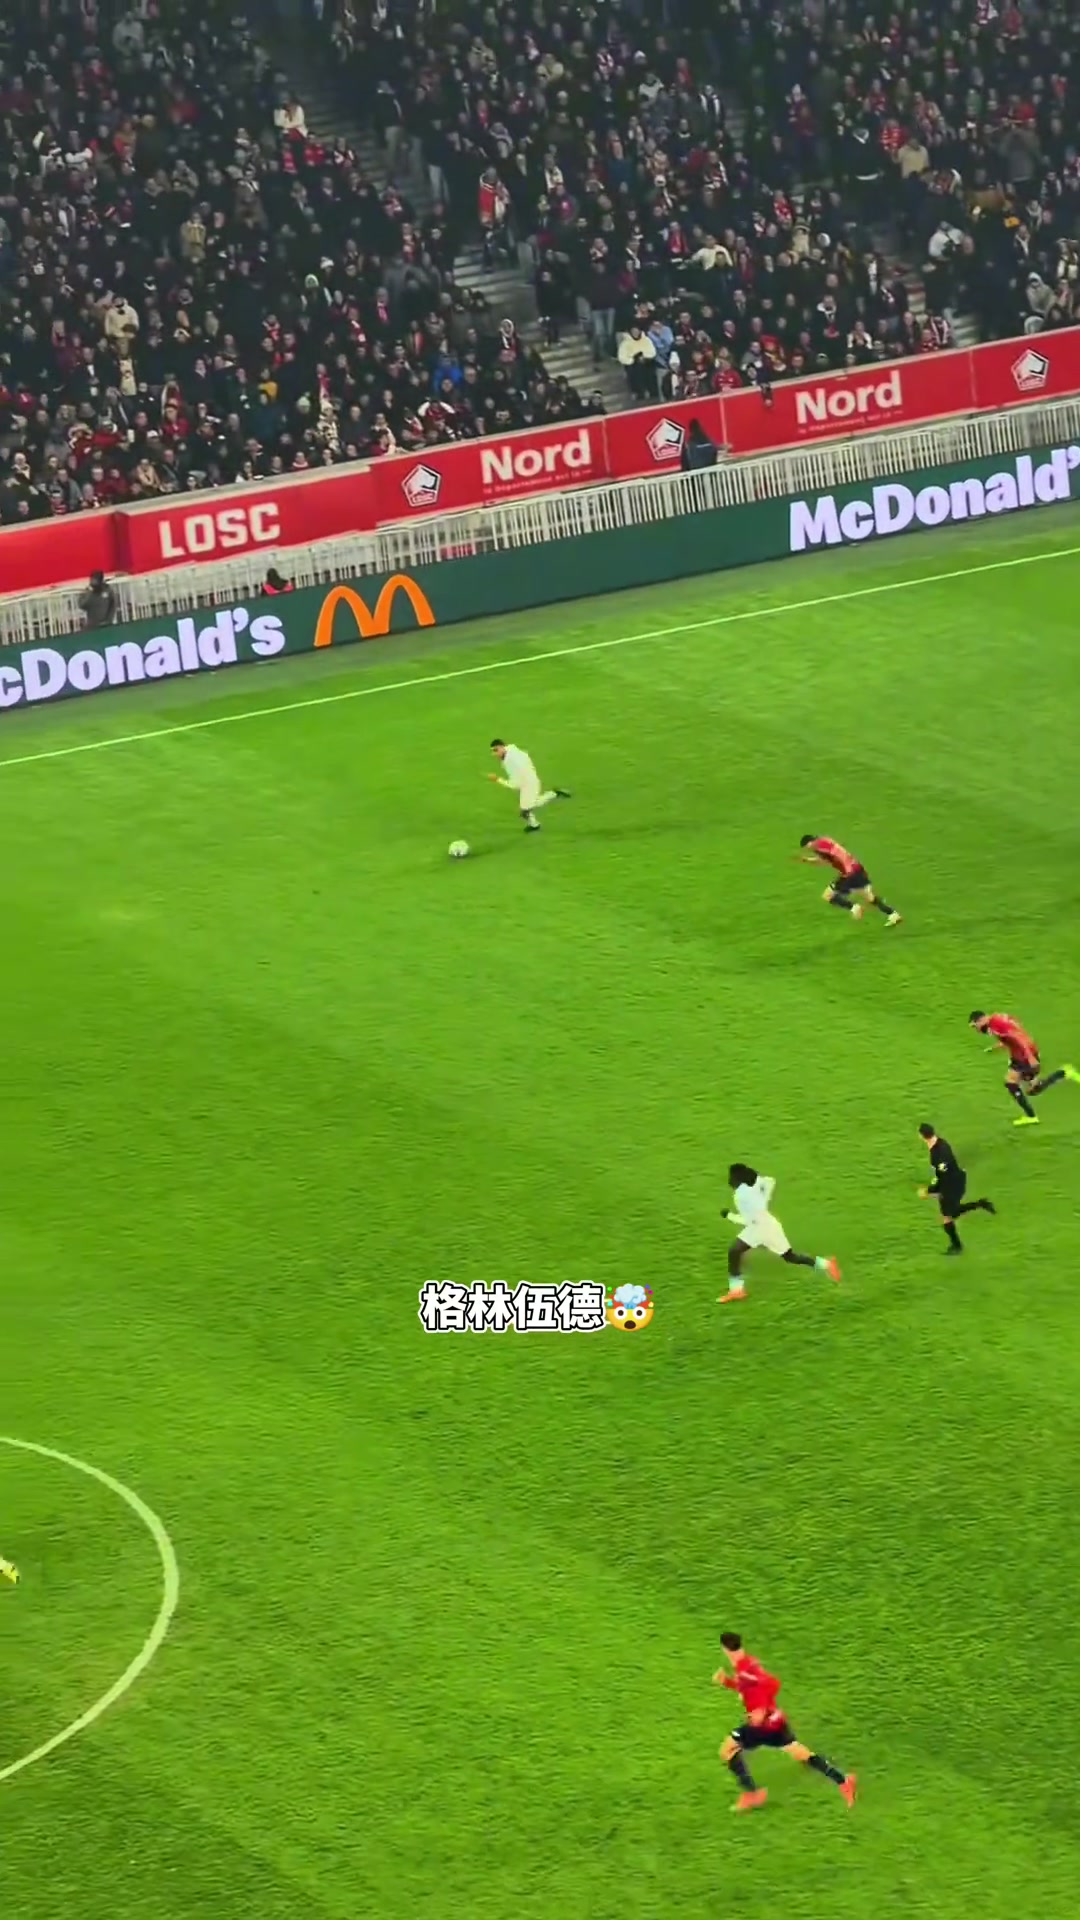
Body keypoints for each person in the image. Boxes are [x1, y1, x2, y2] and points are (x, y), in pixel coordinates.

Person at [713, 1632, 857, 1813]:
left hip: (762, 1727)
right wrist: (727, 1682)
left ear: (725, 1649)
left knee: (727, 1750)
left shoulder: (744, 1672)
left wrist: (760, 1712)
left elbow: (755, 1693)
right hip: (777, 1721)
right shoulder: (751, 1663)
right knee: (802, 1754)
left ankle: (752, 1794)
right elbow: (773, 1684)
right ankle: (843, 1780)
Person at [718, 1164, 841, 1303]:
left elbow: (748, 1220)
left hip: (761, 1229)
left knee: (788, 1257)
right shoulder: (757, 1183)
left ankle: (828, 1264)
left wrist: (729, 1216)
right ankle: (737, 1291)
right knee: (737, 1252)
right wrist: (763, 1192)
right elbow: (771, 1181)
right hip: (767, 1225)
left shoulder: (740, 1196)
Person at [968, 1013, 1080, 1125]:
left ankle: (1032, 1116)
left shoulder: (995, 1024)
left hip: (1024, 1056)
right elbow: (1014, 1031)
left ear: (981, 1020)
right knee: (1033, 1089)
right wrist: (996, 1047)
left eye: (975, 1026)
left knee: (1011, 1083)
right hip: (1020, 1054)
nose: (976, 1029)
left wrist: (1030, 1057)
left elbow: (1018, 1038)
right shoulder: (998, 1018)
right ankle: (1063, 1073)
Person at [917, 1124, 995, 1254]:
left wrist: (929, 1191)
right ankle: (980, 1205)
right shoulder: (940, 1143)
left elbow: (944, 1176)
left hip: (952, 1185)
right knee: (950, 1214)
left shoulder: (939, 1155)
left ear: (922, 1136)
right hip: (954, 1181)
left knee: (948, 1216)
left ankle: (957, 1246)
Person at [798, 834, 901, 925]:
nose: (808, 849)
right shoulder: (823, 843)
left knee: (828, 895)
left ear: (810, 842)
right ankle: (893, 914)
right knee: (869, 898)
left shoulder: (820, 845)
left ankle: (855, 907)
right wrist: (807, 860)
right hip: (857, 869)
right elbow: (826, 860)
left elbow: (838, 854)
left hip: (850, 873)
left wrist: (847, 870)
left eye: (807, 846)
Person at [488, 740, 571, 833]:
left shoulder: (512, 761)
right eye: (493, 751)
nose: (494, 754)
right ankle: (553, 796)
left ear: (502, 747)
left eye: (496, 750)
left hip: (529, 784)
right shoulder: (511, 751)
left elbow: (514, 784)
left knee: (526, 810)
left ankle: (552, 797)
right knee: (528, 807)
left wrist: (497, 779)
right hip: (528, 781)